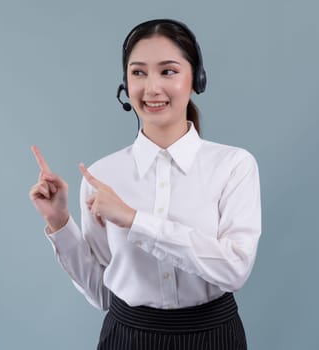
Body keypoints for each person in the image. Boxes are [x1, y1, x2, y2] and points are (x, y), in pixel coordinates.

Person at [29, 19, 261, 350]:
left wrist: (134, 220)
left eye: (168, 71)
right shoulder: (102, 176)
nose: (151, 88)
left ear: (196, 79)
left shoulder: (234, 166)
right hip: (126, 338)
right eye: (138, 73)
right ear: (125, 84)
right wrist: (59, 222)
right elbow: (102, 293)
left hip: (213, 336)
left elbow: (234, 269)